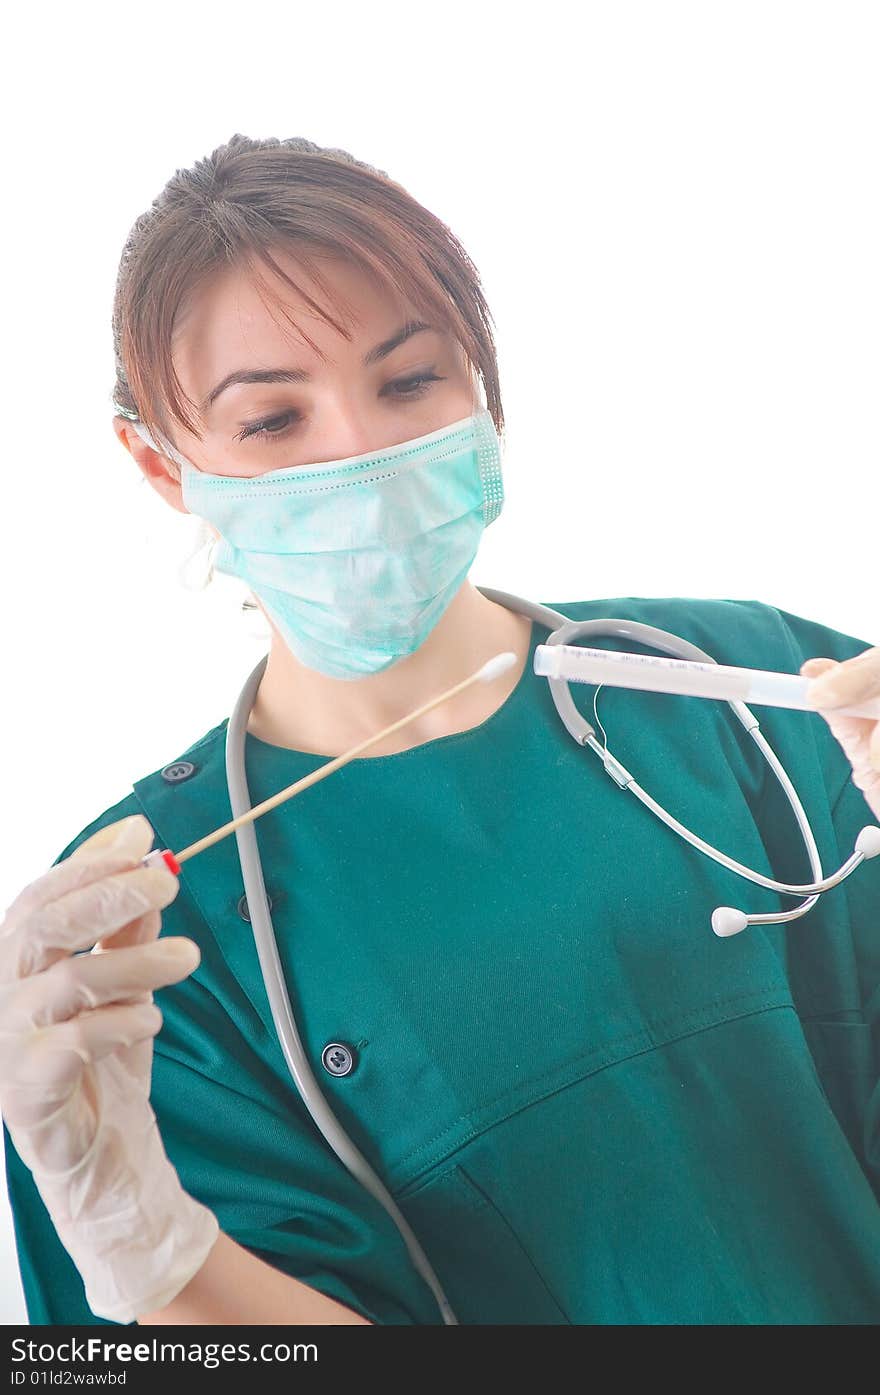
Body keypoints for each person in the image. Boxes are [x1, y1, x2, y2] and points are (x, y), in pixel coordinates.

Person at [2, 134, 879, 1328]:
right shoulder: (145, 925)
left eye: (408, 383)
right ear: (161, 466)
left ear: (481, 387)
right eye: (272, 422)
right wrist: (153, 1259)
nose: (356, 453)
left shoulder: (756, 688)